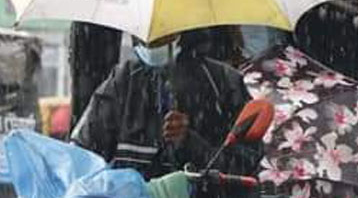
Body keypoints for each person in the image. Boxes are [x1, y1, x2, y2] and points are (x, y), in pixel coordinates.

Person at [71, 27, 261, 179]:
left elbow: (245, 165)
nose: (151, 38)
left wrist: (190, 144)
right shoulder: (122, 81)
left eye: (161, 29)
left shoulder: (222, 82)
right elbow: (83, 154)